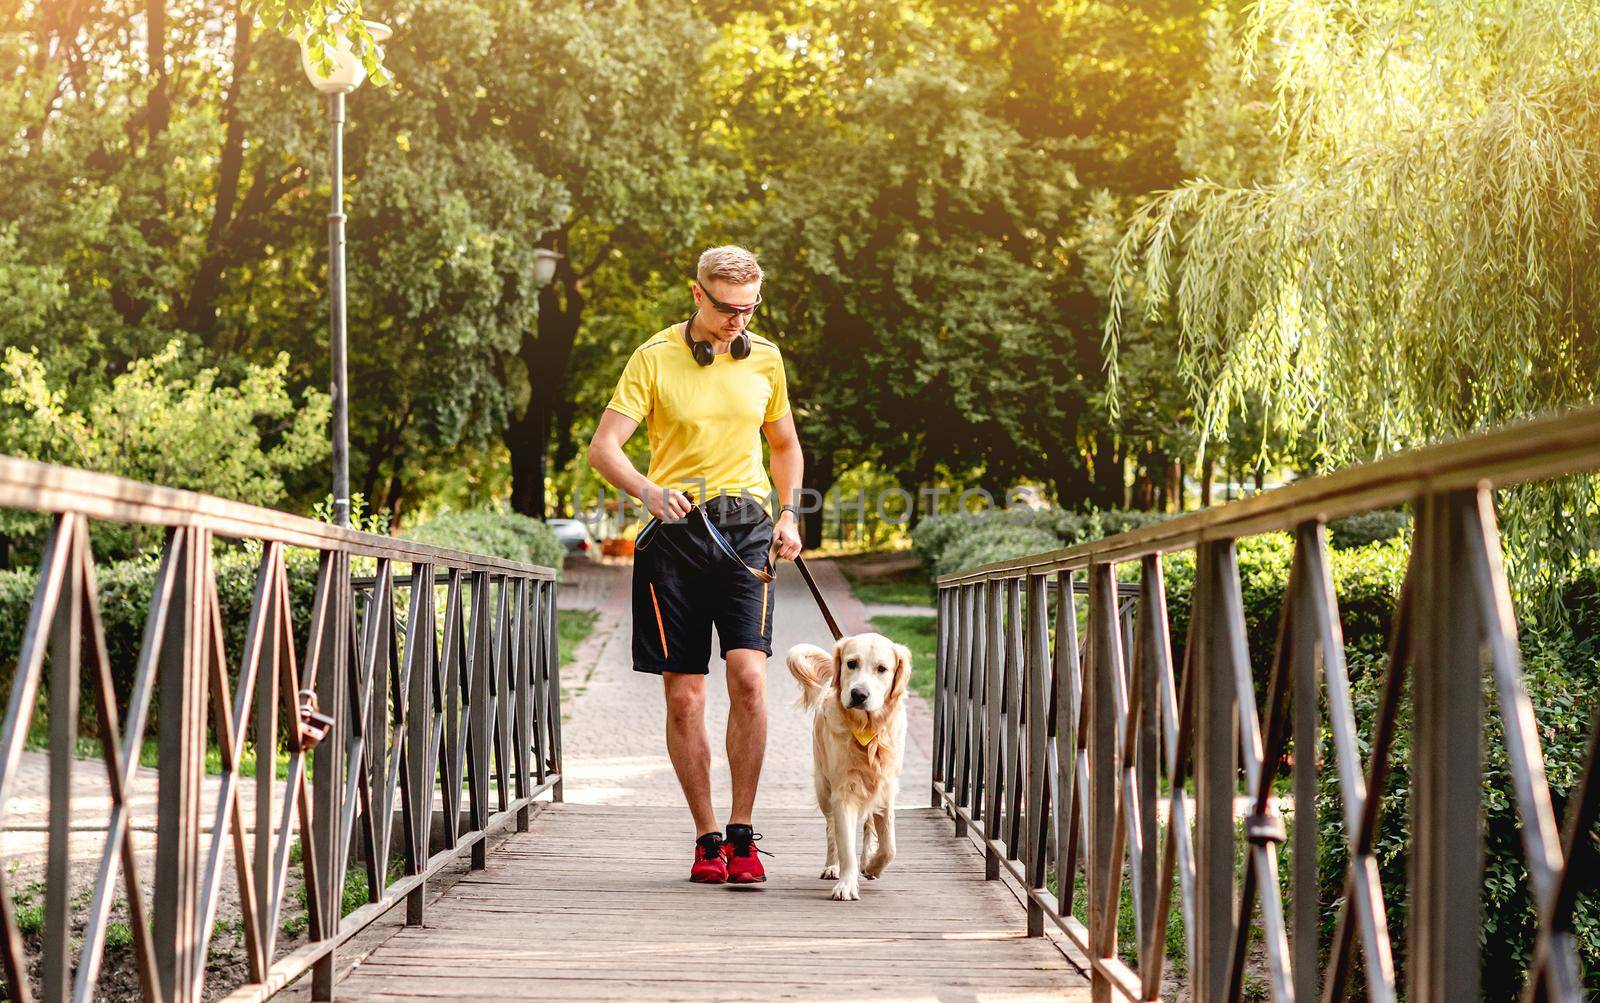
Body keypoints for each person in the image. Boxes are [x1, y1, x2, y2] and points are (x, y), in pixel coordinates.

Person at [586, 245, 805, 884]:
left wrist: (789, 516)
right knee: (685, 696)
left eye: (749, 308)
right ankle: (707, 838)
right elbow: (604, 450)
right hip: (674, 532)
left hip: (747, 532)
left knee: (749, 678)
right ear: (696, 295)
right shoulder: (653, 358)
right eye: (726, 308)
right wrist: (647, 491)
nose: (739, 320)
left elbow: (786, 445)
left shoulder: (766, 358)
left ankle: (743, 836)